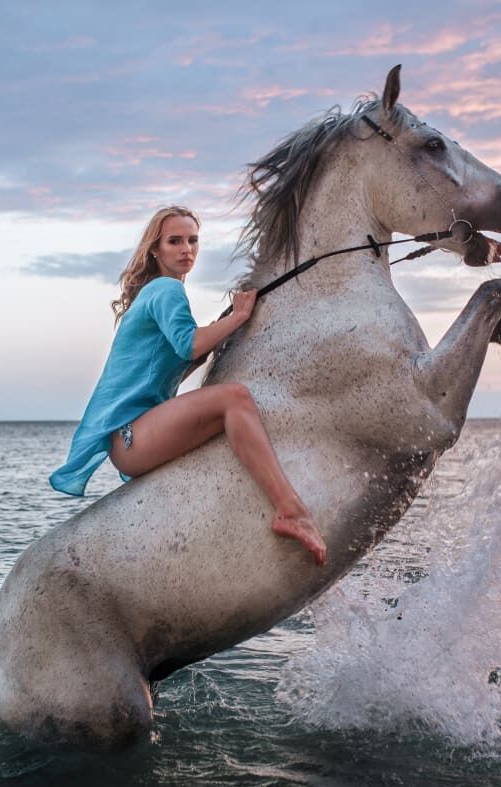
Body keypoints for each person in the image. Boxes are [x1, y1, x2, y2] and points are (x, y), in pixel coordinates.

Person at [49, 205, 327, 566]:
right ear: (156, 250)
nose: (186, 249)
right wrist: (241, 316)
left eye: (193, 241)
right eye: (174, 241)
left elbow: (182, 359)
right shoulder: (165, 290)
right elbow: (191, 345)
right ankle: (291, 510)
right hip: (132, 436)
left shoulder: (156, 293)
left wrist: (220, 329)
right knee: (235, 398)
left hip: (137, 433)